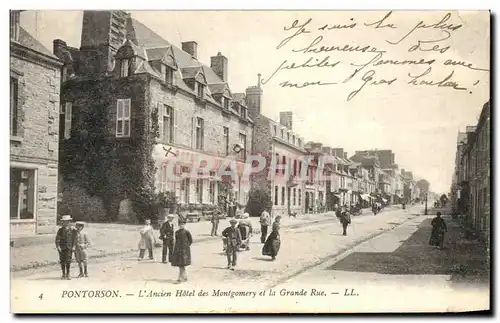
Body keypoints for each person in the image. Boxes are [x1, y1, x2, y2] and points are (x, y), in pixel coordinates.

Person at [55, 215, 76, 280]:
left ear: (70, 222)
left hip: (69, 247)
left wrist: (74, 246)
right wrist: (58, 246)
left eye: (67, 222)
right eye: (64, 222)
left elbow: (74, 239)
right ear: (62, 223)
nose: (66, 223)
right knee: (62, 261)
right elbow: (57, 239)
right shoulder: (60, 230)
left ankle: (68, 274)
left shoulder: (73, 230)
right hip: (62, 248)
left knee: (68, 261)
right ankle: (63, 274)